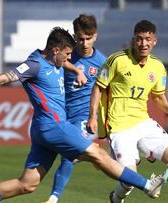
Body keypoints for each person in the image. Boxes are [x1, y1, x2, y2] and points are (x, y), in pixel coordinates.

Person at [0, 27, 167, 203]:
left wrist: (77, 71)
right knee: (98, 154)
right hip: (54, 126)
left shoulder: (53, 60)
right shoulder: (34, 65)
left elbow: (66, 64)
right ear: (55, 50)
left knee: (27, 184)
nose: (70, 59)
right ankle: (148, 185)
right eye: (67, 54)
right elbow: (5, 77)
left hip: (42, 131)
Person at [87, 20, 168, 203]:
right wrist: (92, 117)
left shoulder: (158, 67)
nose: (143, 44)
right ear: (134, 40)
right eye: (140, 39)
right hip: (118, 126)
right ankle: (116, 199)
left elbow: (158, 97)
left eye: (147, 39)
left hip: (143, 122)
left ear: (155, 41)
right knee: (129, 179)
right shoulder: (117, 60)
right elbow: (98, 88)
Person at [42, 14, 106, 203]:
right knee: (58, 152)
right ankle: (94, 155)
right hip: (61, 113)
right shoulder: (66, 54)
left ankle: (53, 199)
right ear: (74, 36)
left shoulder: (102, 62)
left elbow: (104, 90)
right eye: (79, 38)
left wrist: (95, 117)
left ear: (95, 36)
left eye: (88, 38)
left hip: (82, 115)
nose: (84, 43)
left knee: (68, 155)